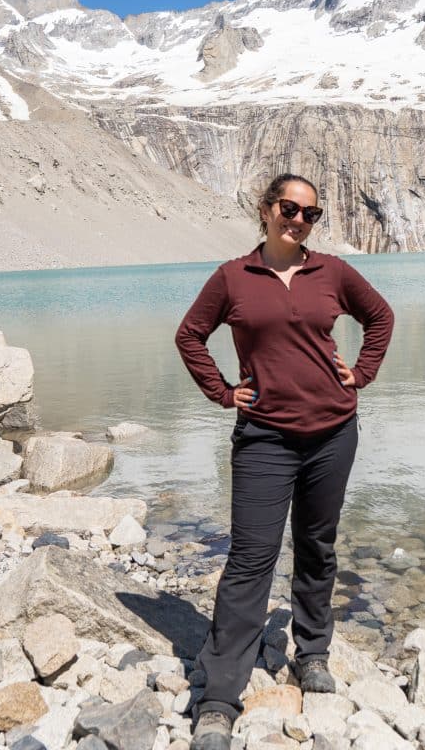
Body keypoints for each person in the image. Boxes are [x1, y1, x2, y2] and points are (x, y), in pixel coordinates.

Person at [175, 172, 394, 750]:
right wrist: (224, 393)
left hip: (333, 433)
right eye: (289, 209)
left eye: (311, 214)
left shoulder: (334, 273)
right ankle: (220, 697)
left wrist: (361, 374)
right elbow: (190, 336)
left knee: (318, 546)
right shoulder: (233, 277)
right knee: (251, 558)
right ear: (267, 209)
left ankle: (313, 653)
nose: (299, 220)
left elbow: (381, 318)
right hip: (264, 438)